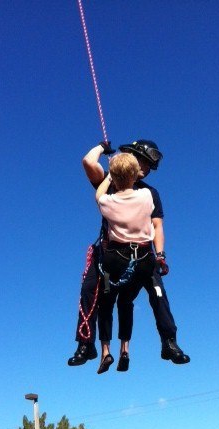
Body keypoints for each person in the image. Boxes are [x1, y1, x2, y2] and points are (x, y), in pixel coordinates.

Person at [68, 139, 190, 367]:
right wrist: (103, 149)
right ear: (131, 158)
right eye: (143, 163)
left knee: (158, 292)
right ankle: (86, 345)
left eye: (149, 167)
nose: (146, 170)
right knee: (88, 289)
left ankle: (169, 342)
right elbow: (88, 164)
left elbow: (157, 226)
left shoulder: (149, 193)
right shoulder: (108, 181)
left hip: (142, 252)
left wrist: (161, 254)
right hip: (108, 252)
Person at [95, 153, 156, 373]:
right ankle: (125, 349)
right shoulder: (147, 195)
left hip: (115, 259)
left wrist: (110, 175)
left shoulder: (107, 201)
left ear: (114, 176)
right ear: (135, 175)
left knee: (106, 304)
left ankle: (105, 351)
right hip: (141, 260)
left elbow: (99, 192)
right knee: (126, 303)